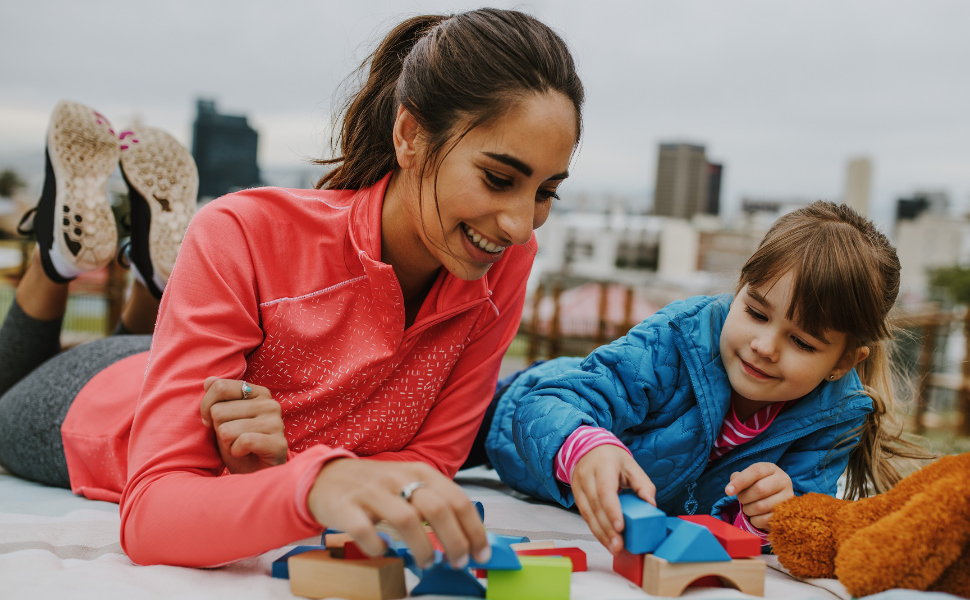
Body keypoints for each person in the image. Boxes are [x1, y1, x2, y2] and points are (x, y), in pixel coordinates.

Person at [0, 8, 584, 569]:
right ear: (410, 135)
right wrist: (310, 484)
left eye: (545, 192)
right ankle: (56, 259)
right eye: (498, 179)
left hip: (169, 361)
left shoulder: (504, 262)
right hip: (99, 403)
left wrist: (288, 470)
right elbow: (152, 515)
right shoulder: (243, 231)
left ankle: (147, 279)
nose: (520, 225)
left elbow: (426, 467)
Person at [478, 201, 931, 555]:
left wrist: (768, 516)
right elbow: (547, 405)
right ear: (739, 289)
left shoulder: (835, 417)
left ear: (844, 361)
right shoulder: (677, 339)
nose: (765, 346)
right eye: (756, 313)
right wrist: (586, 448)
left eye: (801, 342)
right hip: (503, 417)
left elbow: (795, 524)